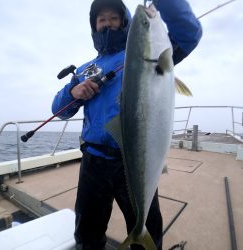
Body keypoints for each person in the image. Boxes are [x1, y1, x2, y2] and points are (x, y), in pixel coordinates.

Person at [52, 0, 202, 249]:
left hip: (132, 160)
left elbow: (189, 33)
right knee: (87, 232)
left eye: (113, 17)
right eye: (101, 19)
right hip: (93, 162)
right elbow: (58, 110)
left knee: (147, 230)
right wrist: (73, 91)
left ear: (125, 22)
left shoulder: (146, 54)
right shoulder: (85, 69)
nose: (107, 23)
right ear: (94, 26)